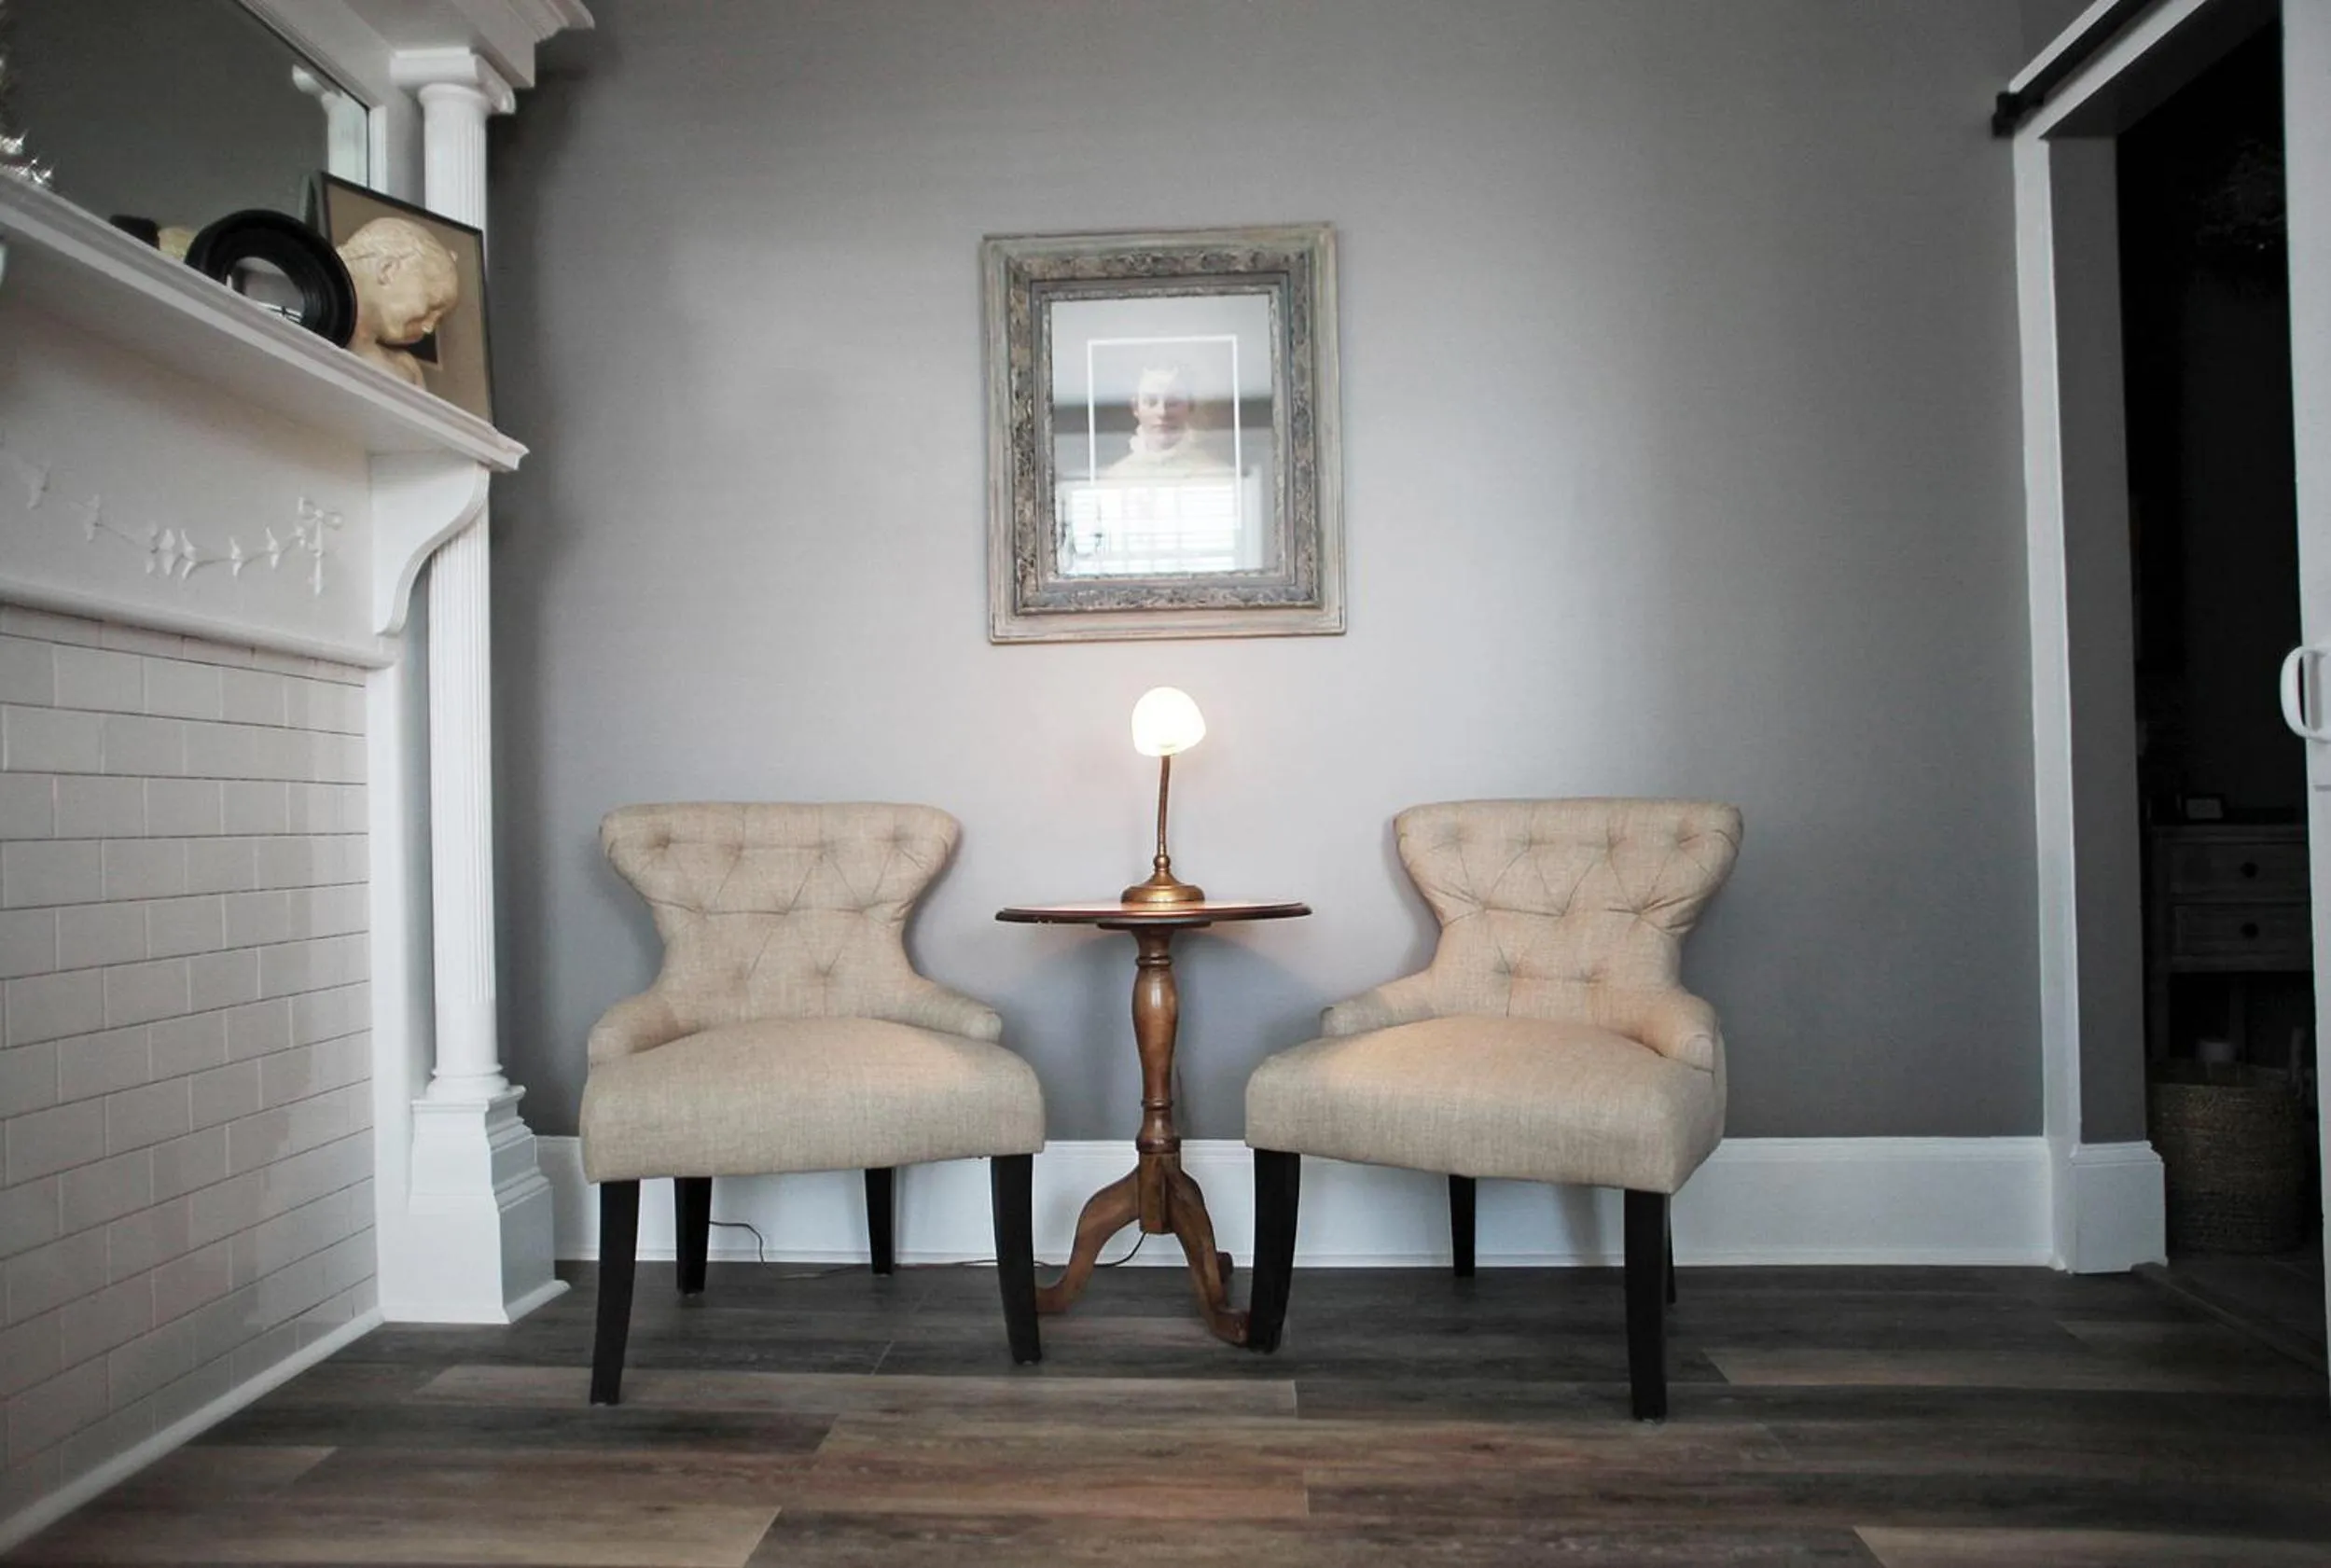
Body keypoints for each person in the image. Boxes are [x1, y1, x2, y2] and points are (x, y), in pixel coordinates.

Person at [337, 216, 460, 387]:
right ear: (388, 270)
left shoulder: (406, 368)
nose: (429, 327)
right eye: (431, 306)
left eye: (438, 319)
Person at [1104, 362, 1229, 476]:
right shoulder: (1116, 478)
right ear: (1136, 408)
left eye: (1173, 402)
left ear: (1190, 406)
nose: (1162, 412)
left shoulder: (1216, 475)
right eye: (1151, 402)